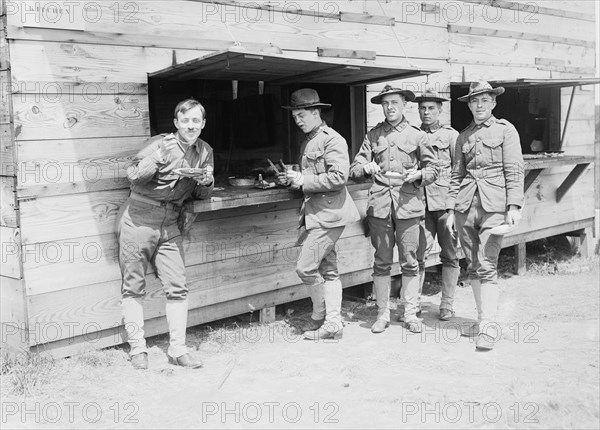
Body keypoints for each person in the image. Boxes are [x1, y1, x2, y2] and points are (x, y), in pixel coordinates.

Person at [117, 98, 214, 369]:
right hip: (138, 219)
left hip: (171, 223)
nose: (191, 126)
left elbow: (200, 194)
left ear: (203, 124)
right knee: (133, 285)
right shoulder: (160, 143)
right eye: (185, 121)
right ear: (176, 123)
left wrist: (207, 182)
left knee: (178, 286)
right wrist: (158, 157)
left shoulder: (205, 151)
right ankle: (138, 349)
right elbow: (133, 176)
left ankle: (178, 349)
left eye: (196, 121)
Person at [350, 85, 438, 334]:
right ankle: (382, 314)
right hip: (380, 208)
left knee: (411, 261)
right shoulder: (373, 135)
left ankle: (410, 313)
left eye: (394, 103)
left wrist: (418, 173)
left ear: (404, 105)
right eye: (385, 103)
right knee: (381, 262)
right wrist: (366, 168)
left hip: (409, 207)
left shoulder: (417, 135)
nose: (390, 107)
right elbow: (355, 168)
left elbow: (433, 169)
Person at [446, 81, 524, 351]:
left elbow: (514, 169)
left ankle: (489, 326)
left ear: (493, 103)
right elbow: (456, 174)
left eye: (484, 101)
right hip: (466, 206)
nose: (479, 106)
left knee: (487, 262)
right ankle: (483, 320)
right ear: (469, 105)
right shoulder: (463, 136)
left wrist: (514, 206)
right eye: (474, 101)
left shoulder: (506, 130)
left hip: (494, 205)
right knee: (472, 265)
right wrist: (450, 208)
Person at [278, 88, 360, 340]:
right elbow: (313, 178)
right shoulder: (310, 139)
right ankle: (330, 321)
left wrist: (304, 179)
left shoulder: (332, 139)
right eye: (294, 117)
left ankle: (321, 314)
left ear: (316, 112)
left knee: (305, 268)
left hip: (330, 214)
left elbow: (338, 177)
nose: (297, 120)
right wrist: (295, 181)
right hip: (316, 214)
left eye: (301, 115)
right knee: (329, 269)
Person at [414, 89, 460, 321]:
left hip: (444, 205)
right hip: (420, 206)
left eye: (431, 108)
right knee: (417, 256)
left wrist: (453, 207)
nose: (426, 112)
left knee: (450, 256)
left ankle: (447, 305)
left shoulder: (451, 136)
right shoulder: (413, 135)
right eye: (422, 108)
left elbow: (459, 172)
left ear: (440, 110)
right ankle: (414, 305)